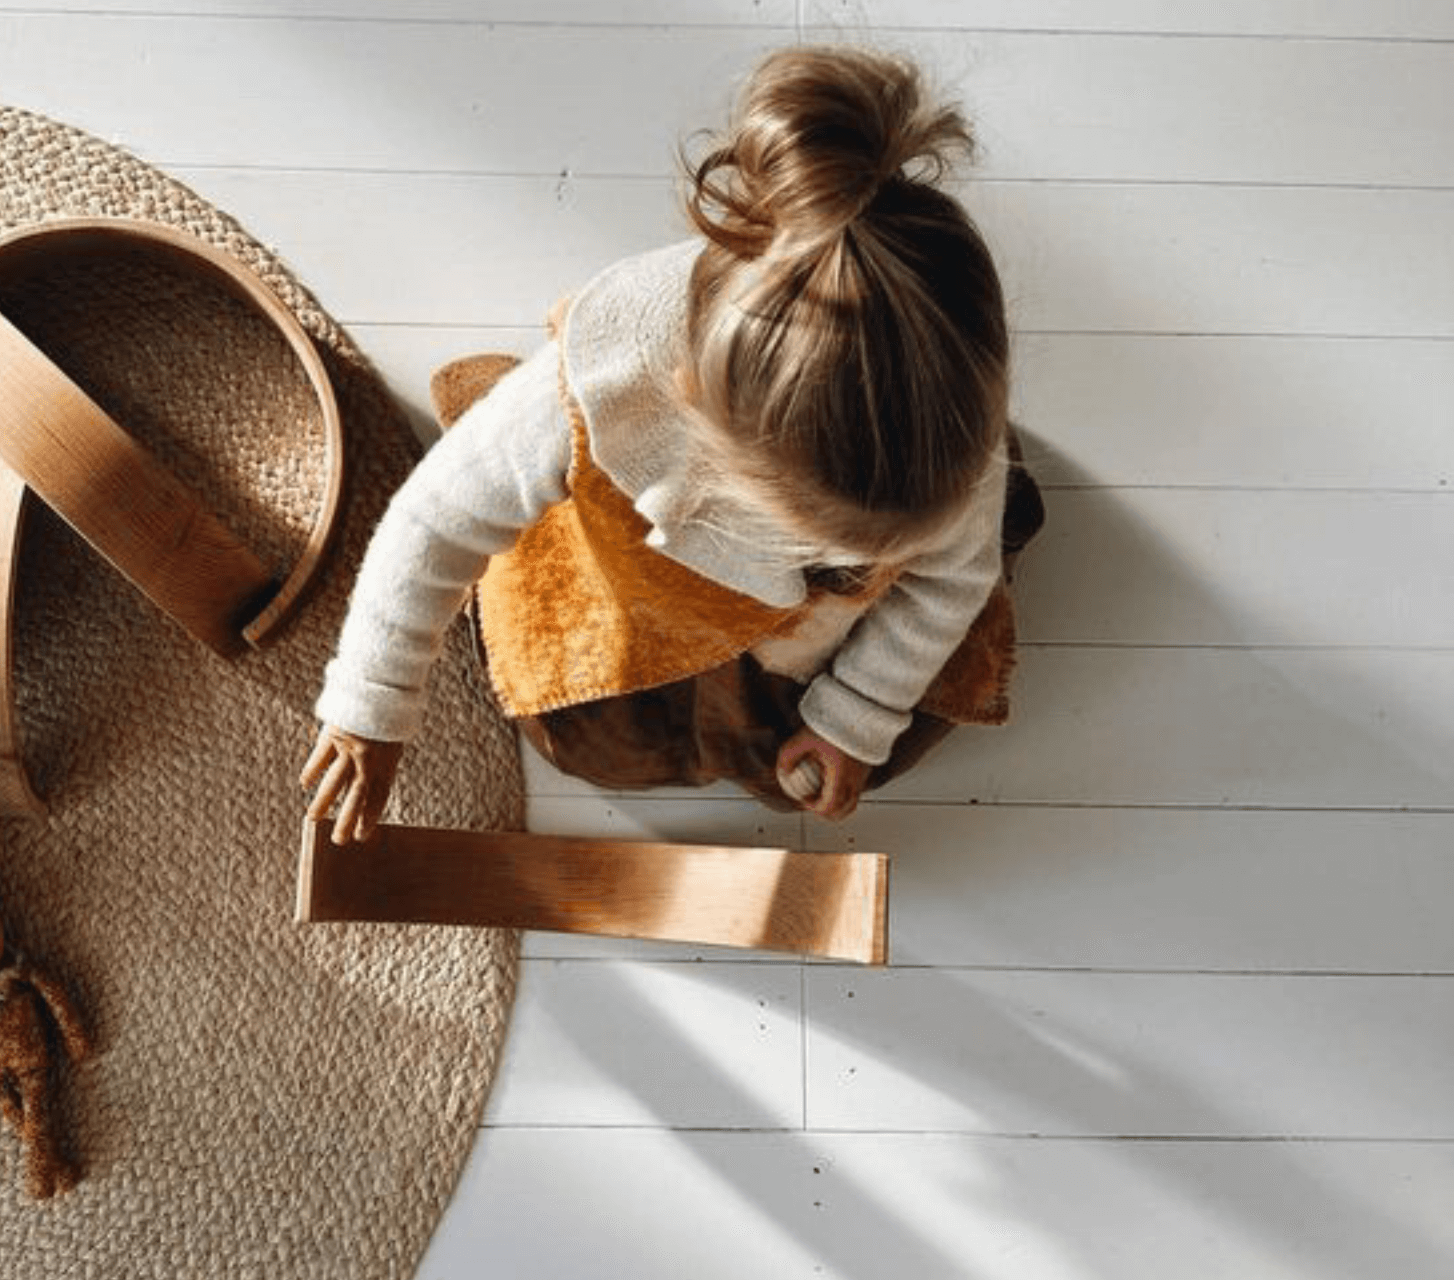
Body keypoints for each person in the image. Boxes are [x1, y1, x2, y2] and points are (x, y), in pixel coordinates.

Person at [302, 45, 1037, 845]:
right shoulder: (607, 389)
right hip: (639, 588)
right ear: (695, 412)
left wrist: (852, 715)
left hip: (804, 637)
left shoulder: (952, 454)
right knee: (595, 739)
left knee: (893, 717)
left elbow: (949, 580)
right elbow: (435, 520)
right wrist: (371, 701)